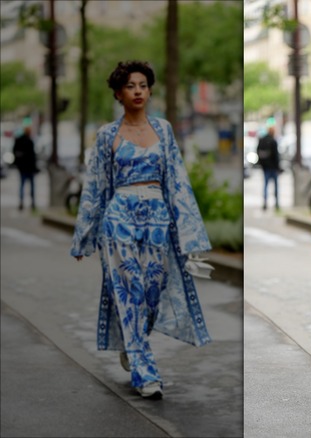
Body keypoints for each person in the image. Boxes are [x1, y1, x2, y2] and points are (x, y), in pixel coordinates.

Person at [70, 61, 212, 399]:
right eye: (131, 86)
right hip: (118, 219)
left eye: (143, 85)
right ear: (119, 93)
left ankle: (131, 339)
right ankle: (144, 370)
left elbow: (178, 181)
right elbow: (95, 187)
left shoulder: (162, 130)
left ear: (149, 91)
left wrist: (191, 236)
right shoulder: (107, 135)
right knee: (128, 290)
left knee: (151, 291)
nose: (138, 91)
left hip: (157, 220)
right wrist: (84, 237)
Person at [13, 125, 37, 211]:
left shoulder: (19, 140)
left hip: (23, 168)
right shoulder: (29, 141)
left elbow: (15, 153)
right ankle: (32, 203)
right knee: (31, 186)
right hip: (28, 168)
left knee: (22, 186)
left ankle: (22, 202)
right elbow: (33, 156)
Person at [256, 126, 280, 210]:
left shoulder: (262, 140)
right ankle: (276, 203)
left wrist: (262, 164)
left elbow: (258, 152)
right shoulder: (273, 142)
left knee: (265, 185)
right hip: (273, 167)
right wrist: (278, 168)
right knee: (276, 186)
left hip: (265, 167)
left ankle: (265, 202)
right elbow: (276, 156)